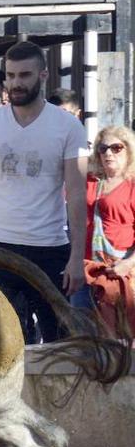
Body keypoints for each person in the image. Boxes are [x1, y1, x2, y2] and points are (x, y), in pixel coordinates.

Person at [0, 41, 90, 344]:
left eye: (24, 75)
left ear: (43, 75)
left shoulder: (68, 126)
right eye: (11, 75)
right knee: (6, 345)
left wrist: (77, 258)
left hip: (50, 246)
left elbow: (77, 192)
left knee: (58, 343)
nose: (16, 83)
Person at [77, 126, 135, 319]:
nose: (108, 153)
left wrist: (128, 264)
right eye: (103, 149)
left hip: (120, 272)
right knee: (82, 334)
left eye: (116, 148)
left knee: (119, 338)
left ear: (129, 150)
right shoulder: (90, 180)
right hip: (85, 269)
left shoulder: (132, 185)